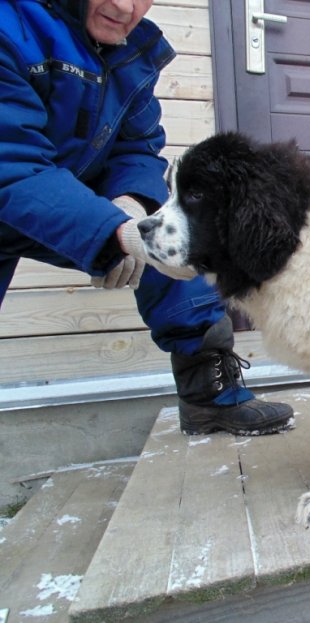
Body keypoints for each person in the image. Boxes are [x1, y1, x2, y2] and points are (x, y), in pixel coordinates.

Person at [0, 0, 294, 436]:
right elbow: (12, 162)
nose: (124, 5)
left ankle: (209, 398)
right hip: (18, 187)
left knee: (176, 242)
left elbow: (136, 147)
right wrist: (107, 231)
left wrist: (132, 204)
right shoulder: (10, 28)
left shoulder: (131, 51)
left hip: (56, 197)